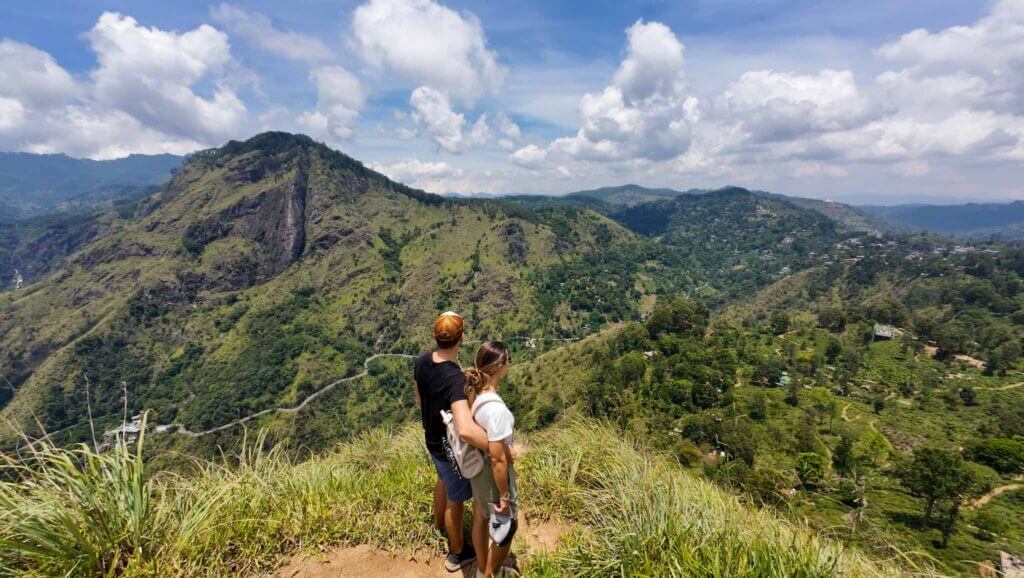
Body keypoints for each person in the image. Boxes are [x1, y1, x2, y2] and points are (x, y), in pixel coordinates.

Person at [413, 311, 490, 573]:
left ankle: (438, 524)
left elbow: (419, 400)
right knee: (455, 503)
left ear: (436, 338)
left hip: (432, 439)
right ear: (461, 339)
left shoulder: (423, 362)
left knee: (443, 480)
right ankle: (457, 553)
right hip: (451, 449)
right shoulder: (455, 380)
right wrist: (495, 444)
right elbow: (466, 430)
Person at [464, 341, 519, 578]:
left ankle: (480, 569)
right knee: (507, 528)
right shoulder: (496, 410)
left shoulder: (475, 391)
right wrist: (505, 497)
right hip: (490, 473)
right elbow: (498, 460)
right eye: (509, 360)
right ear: (500, 366)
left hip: (477, 471)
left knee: (480, 515)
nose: (510, 364)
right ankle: (489, 575)